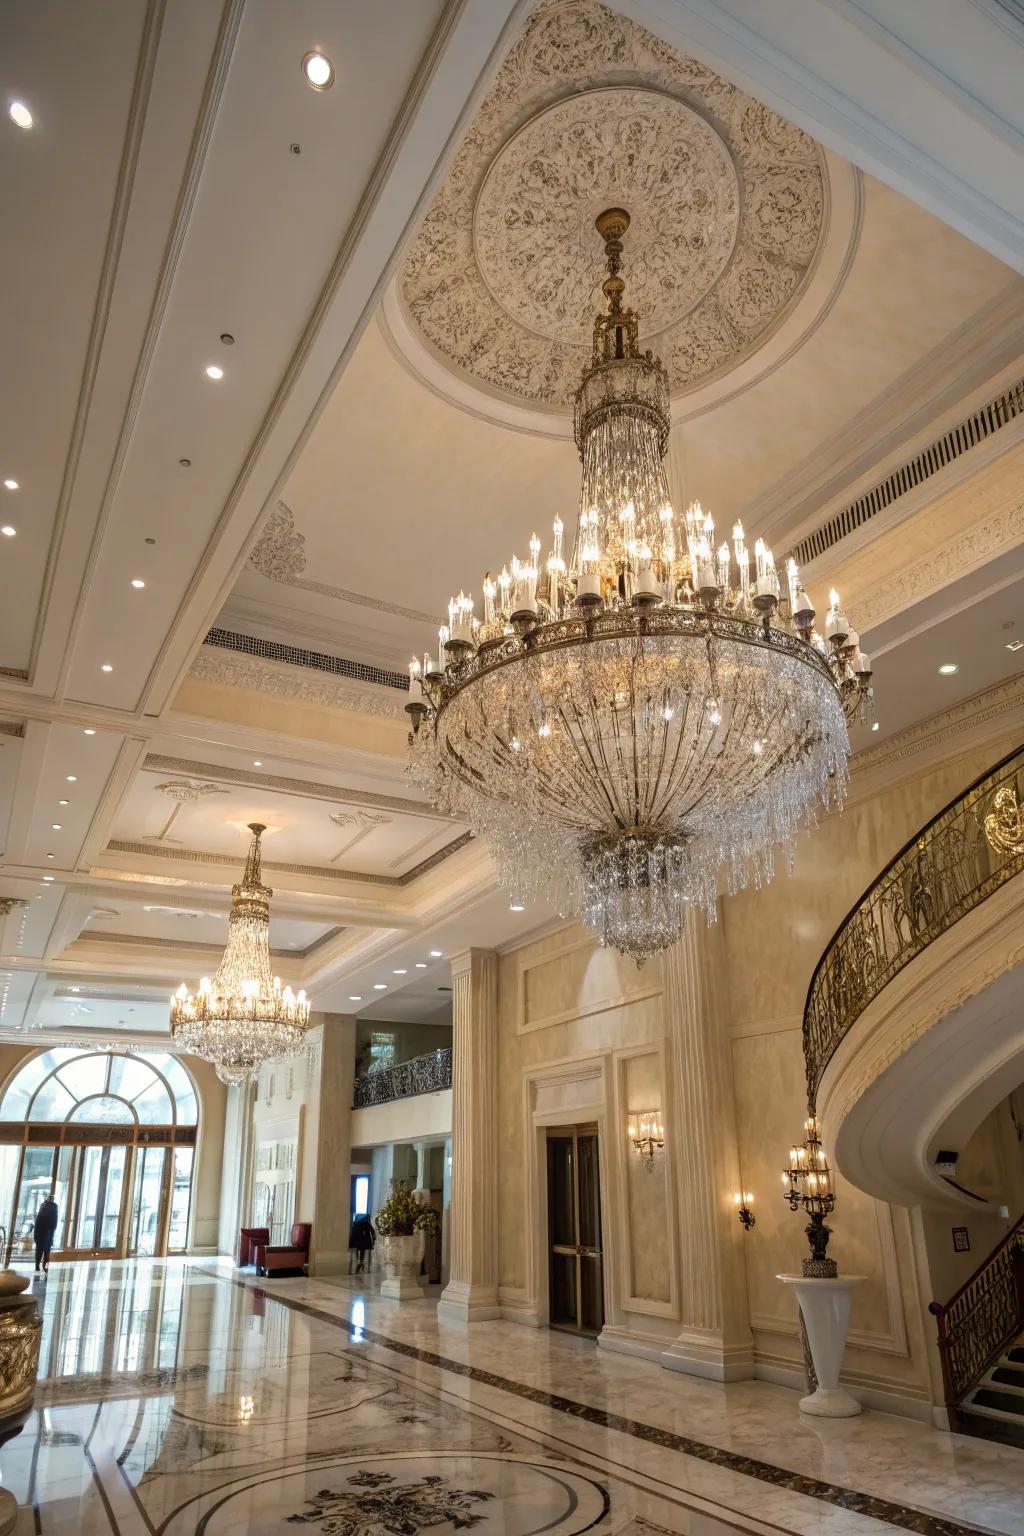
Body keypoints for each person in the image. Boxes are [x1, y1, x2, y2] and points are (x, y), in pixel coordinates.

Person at [34, 1196, 58, 1277]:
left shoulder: (43, 1206)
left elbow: (37, 1222)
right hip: (48, 1234)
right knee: (47, 1252)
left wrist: (35, 1235)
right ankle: (45, 1267)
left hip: (40, 1233)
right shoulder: (54, 1207)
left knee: (39, 1251)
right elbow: (54, 1224)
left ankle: (37, 1266)